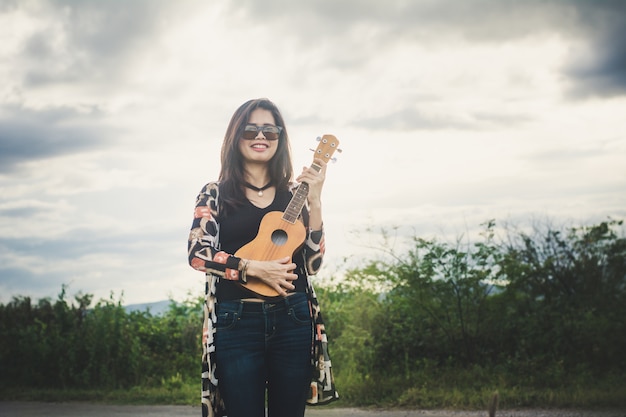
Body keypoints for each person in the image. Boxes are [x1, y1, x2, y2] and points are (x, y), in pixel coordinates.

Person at [188, 98, 338, 417]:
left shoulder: (292, 194)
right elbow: (198, 254)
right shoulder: (215, 193)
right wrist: (252, 268)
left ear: (280, 139)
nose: (260, 136)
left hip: (293, 318)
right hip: (236, 320)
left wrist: (316, 199)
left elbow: (313, 264)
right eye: (251, 129)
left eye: (269, 130)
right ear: (235, 136)